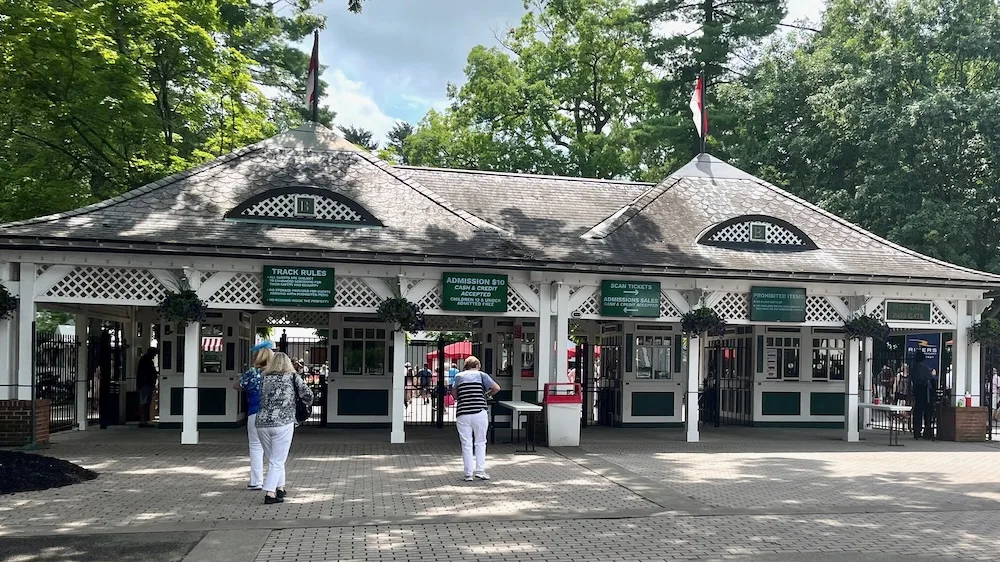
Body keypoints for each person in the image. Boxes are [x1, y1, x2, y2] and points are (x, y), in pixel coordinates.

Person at [255, 352, 313, 504]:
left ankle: (280, 487)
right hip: (283, 422)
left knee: (273, 459)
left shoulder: (263, 377)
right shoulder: (293, 377)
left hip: (262, 422)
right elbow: (308, 395)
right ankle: (270, 493)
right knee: (278, 460)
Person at [451, 356, 500, 482]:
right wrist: (486, 395)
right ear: (477, 366)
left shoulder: (458, 377)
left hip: (463, 413)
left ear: (465, 366)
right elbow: (496, 388)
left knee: (466, 444)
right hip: (479, 412)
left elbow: (454, 394)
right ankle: (480, 471)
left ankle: (468, 474)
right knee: (480, 442)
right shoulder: (481, 375)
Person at [234, 341, 273, 491]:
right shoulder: (277, 373)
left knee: (256, 447)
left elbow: (237, 386)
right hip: (274, 415)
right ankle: (275, 481)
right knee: (274, 450)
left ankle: (256, 481)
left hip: (254, 412)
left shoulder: (252, 372)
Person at [910, 350, 937, 440]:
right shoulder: (924, 368)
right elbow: (932, 379)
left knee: (917, 410)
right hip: (924, 390)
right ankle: (927, 429)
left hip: (916, 390)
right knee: (927, 411)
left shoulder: (913, 368)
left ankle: (916, 431)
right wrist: (934, 391)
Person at [136, 348, 158, 428]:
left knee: (145, 402)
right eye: (154, 354)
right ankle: (143, 421)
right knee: (144, 402)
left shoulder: (145, 360)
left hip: (145, 384)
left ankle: (143, 420)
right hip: (145, 384)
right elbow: (148, 372)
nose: (155, 356)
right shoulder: (147, 361)